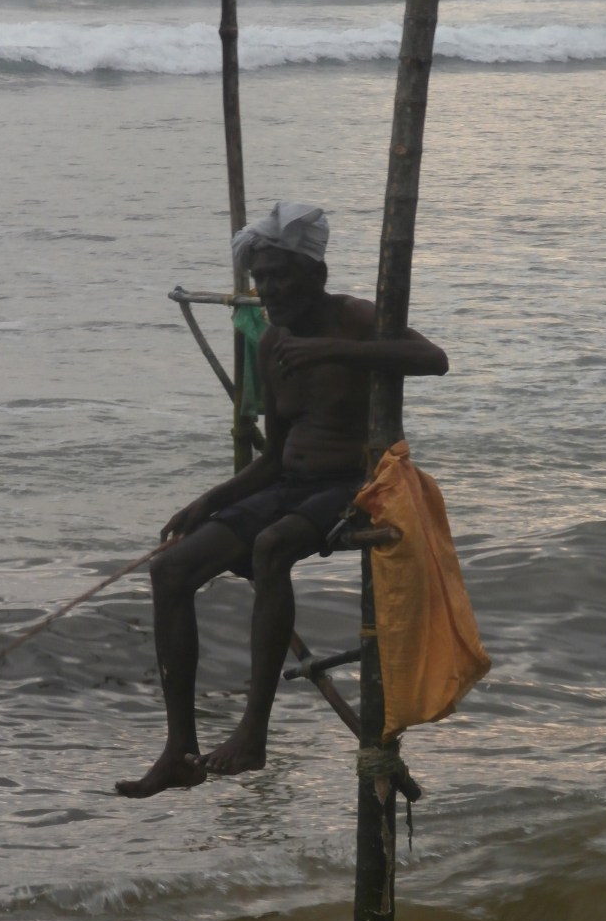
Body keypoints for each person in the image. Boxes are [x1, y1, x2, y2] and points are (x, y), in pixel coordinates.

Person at [115, 202, 447, 798]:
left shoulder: (352, 320)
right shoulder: (270, 342)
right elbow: (274, 455)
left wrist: (330, 351)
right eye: (260, 279)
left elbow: (432, 359)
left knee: (272, 547)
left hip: (354, 486)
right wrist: (208, 500)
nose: (267, 290)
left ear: (314, 275)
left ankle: (254, 731)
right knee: (171, 568)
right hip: (289, 485)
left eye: (279, 277)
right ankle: (179, 749)